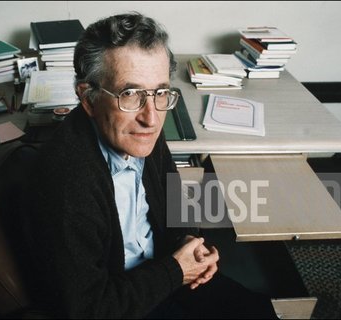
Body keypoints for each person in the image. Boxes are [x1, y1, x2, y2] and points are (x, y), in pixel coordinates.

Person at [22, 12, 278, 319]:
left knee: (258, 310)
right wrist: (175, 270)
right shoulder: (65, 183)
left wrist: (187, 240)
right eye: (129, 94)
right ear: (88, 99)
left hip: (162, 275)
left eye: (159, 92)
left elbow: (174, 204)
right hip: (119, 301)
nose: (151, 118)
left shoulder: (139, 132)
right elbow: (90, 309)